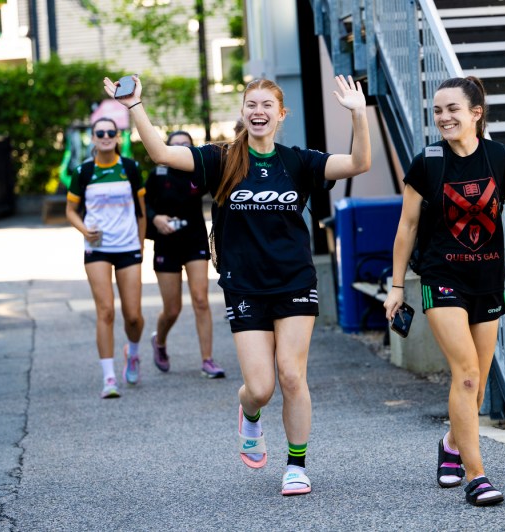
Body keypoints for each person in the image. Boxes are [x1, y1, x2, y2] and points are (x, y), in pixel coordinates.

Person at [105, 74, 371, 495]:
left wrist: (359, 116)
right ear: (244, 112)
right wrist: (134, 105)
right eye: (252, 105)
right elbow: (160, 152)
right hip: (244, 286)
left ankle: (296, 465)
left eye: (268, 105)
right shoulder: (221, 159)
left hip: (295, 281)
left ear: (281, 114)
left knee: (291, 376)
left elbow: (359, 163)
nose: (259, 111)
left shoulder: (299, 162)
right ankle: (249, 414)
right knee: (261, 388)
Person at [383, 76, 505, 507]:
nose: (443, 117)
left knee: (478, 386)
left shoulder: (498, 157)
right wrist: (396, 287)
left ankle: (451, 443)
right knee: (465, 374)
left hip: (487, 280)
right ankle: (477, 476)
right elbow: (406, 228)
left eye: (452, 109)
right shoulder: (427, 162)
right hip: (441, 276)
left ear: (475, 113)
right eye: (437, 110)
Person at [65, 117, 146, 399]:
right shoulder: (83, 171)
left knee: (133, 316)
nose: (106, 136)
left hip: (128, 248)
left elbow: (141, 212)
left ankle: (132, 353)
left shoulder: (130, 168)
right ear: (93, 138)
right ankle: (109, 377)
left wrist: (140, 245)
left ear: (118, 137)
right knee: (106, 311)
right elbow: (71, 210)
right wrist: (84, 230)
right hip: (97, 248)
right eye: (100, 133)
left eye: (111, 132)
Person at [146, 130, 224, 378]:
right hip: (166, 242)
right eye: (175, 144)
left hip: (194, 240)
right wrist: (155, 218)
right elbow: (143, 205)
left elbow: (223, 186)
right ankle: (159, 341)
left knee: (201, 300)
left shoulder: (198, 172)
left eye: (186, 145)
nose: (180, 149)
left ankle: (207, 360)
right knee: (172, 309)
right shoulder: (158, 173)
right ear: (167, 147)